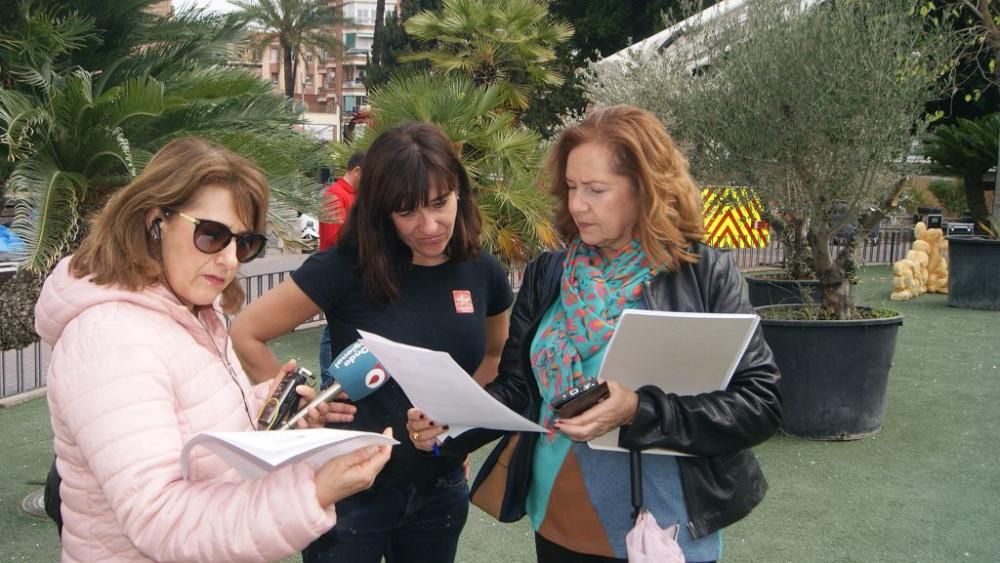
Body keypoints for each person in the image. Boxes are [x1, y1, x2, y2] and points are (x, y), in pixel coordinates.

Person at [407, 105, 782, 563]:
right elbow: (520, 390)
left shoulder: (702, 274)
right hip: (558, 514)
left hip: (660, 526)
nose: (576, 204)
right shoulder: (551, 272)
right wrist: (449, 426)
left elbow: (760, 403)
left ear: (646, 189)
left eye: (596, 190)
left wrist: (639, 410)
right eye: (570, 187)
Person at [35, 137, 392, 562]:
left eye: (243, 243)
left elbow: (192, 428)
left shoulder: (192, 310)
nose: (229, 260)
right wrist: (315, 492)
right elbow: (160, 516)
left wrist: (270, 406)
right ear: (156, 222)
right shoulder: (111, 338)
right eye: (211, 235)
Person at [231, 122, 514, 563]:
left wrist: (456, 429)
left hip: (439, 493)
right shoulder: (345, 268)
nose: (429, 225)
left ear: (460, 192)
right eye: (407, 212)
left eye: (440, 203)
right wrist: (299, 407)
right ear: (382, 211)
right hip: (348, 492)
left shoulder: (484, 273)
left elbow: (495, 354)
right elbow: (246, 332)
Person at [318, 151, 365, 381]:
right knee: (332, 329)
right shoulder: (334, 195)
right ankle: (328, 379)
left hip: (351, 271)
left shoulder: (352, 195)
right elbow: (334, 237)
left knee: (340, 327)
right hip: (335, 273)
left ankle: (333, 378)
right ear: (357, 170)